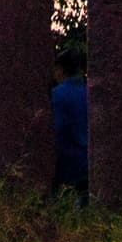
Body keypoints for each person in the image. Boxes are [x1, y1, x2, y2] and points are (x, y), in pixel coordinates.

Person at [50, 64, 91, 202]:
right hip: (89, 166)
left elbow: (56, 130)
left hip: (68, 167)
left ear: (60, 70)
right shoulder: (89, 92)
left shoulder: (57, 95)